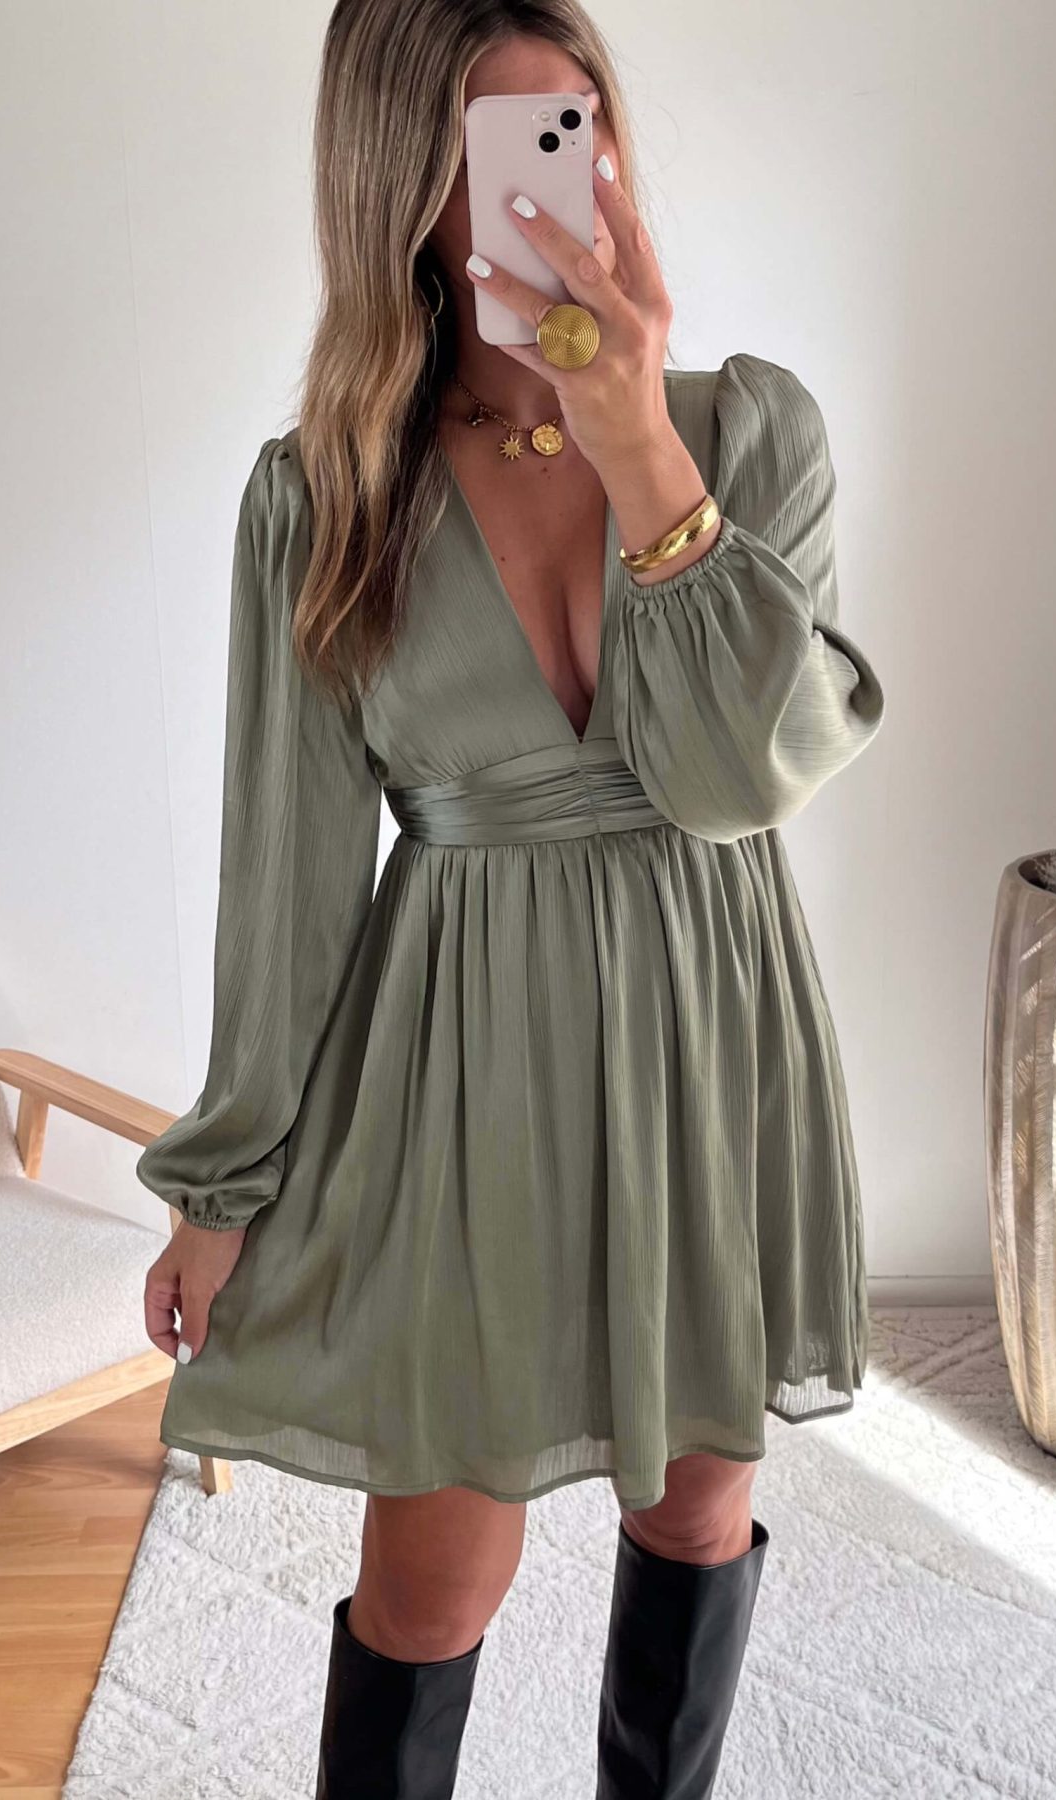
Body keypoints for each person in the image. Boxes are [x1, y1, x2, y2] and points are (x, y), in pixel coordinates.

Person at [137, 1, 886, 1794]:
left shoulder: (749, 433)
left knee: (695, 1509)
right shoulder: (321, 498)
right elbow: (289, 875)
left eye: (583, 126)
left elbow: (738, 778)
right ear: (405, 181)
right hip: (467, 1074)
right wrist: (223, 1187)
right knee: (432, 1583)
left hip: (710, 1031)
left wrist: (635, 443)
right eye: (509, 144)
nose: (567, 179)